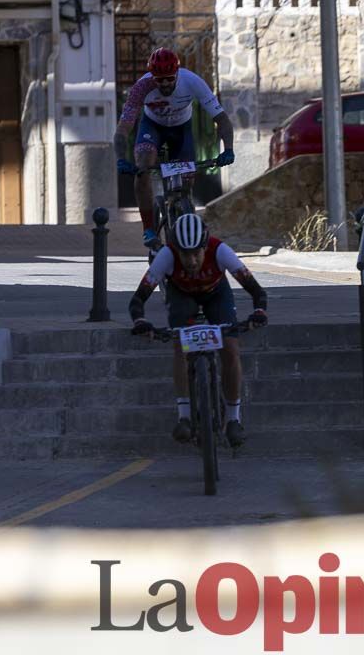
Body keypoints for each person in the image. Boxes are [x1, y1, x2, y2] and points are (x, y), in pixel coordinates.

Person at [128, 213, 268, 448]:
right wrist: (140, 321)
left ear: (206, 246)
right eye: (185, 254)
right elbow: (137, 300)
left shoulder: (221, 251)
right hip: (182, 296)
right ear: (176, 250)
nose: (192, 261)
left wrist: (259, 313)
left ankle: (233, 419)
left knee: (231, 348)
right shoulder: (166, 256)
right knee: (180, 345)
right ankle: (184, 416)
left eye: (196, 253)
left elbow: (258, 292)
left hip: (216, 295)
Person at [115, 47, 236, 249]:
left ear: (177, 74)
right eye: (159, 79)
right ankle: (149, 229)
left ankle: (182, 209)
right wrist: (120, 158)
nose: (164, 84)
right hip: (152, 126)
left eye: (169, 79)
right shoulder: (141, 87)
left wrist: (228, 149)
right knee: (143, 168)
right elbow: (123, 128)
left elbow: (221, 119)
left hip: (181, 129)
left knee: (187, 180)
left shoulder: (192, 81)